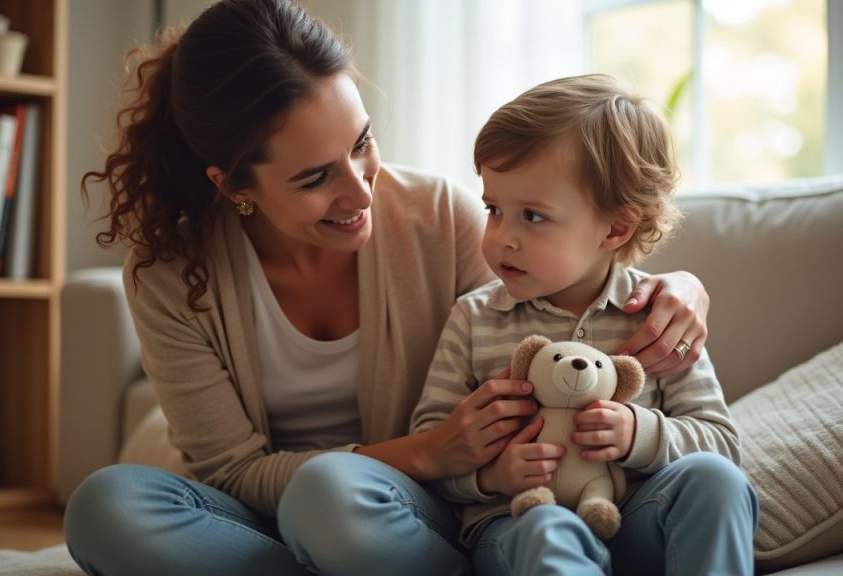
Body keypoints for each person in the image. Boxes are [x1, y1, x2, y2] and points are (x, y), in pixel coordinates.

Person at [63, 1, 714, 575]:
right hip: (284, 512)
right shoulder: (172, 275)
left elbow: (547, 313)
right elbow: (232, 473)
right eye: (315, 176)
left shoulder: (437, 214)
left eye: (362, 143)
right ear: (234, 186)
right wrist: (428, 450)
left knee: (335, 499)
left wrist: (673, 282)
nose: (359, 188)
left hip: (407, 515)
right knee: (105, 509)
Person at [410, 73, 758, 575]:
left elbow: (721, 445)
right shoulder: (474, 317)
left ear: (616, 227)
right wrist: (491, 476)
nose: (501, 237)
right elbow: (431, 444)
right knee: (548, 531)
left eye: (531, 216)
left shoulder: (658, 319)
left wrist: (640, 433)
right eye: (494, 209)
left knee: (715, 480)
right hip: (519, 526)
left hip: (637, 523)